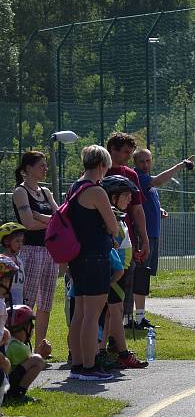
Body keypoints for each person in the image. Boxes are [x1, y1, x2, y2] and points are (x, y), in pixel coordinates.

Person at [66, 145, 118, 382]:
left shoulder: (74, 187)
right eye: (106, 168)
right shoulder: (97, 191)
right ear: (101, 165)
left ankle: (77, 362)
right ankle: (90, 365)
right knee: (92, 314)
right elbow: (113, 226)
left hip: (78, 257)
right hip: (95, 256)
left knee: (80, 313)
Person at [131, 148, 195, 330]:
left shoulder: (145, 181)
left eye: (148, 161)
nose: (145, 164)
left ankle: (139, 317)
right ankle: (135, 318)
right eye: (142, 161)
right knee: (140, 277)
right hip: (145, 236)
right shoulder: (139, 177)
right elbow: (157, 181)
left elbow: (143, 203)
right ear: (135, 163)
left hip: (153, 234)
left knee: (144, 276)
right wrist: (180, 165)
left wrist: (158, 210)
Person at [99, 175, 148, 369]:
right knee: (113, 312)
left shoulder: (120, 218)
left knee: (112, 314)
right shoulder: (112, 220)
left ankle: (105, 351)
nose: (130, 200)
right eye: (126, 196)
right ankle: (121, 353)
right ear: (112, 197)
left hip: (123, 272)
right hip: (114, 275)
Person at [12, 151, 59, 352]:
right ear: (28, 168)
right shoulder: (20, 192)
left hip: (50, 251)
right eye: (41, 165)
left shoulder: (46, 192)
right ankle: (23, 346)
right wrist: (44, 221)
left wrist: (39, 215)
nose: (45, 169)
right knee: (28, 300)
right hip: (30, 251)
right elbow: (28, 224)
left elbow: (59, 220)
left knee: (46, 301)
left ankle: (41, 345)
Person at [105, 133, 149, 329]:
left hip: (125, 241)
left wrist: (144, 239)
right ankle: (100, 336)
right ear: (112, 149)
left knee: (126, 285)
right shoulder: (98, 172)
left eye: (130, 153)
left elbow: (137, 209)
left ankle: (122, 328)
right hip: (103, 241)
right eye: (124, 152)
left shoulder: (130, 175)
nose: (127, 157)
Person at [3, 304, 45, 404]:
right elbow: (32, 361)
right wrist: (43, 354)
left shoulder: (6, 340)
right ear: (24, 327)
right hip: (4, 386)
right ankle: (18, 394)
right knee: (38, 360)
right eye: (31, 325)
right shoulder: (17, 347)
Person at [0, 222, 26, 308]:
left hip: (19, 302)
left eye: (22, 241)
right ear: (7, 241)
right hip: (6, 304)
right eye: (17, 241)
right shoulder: (3, 261)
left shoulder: (19, 260)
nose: (20, 244)